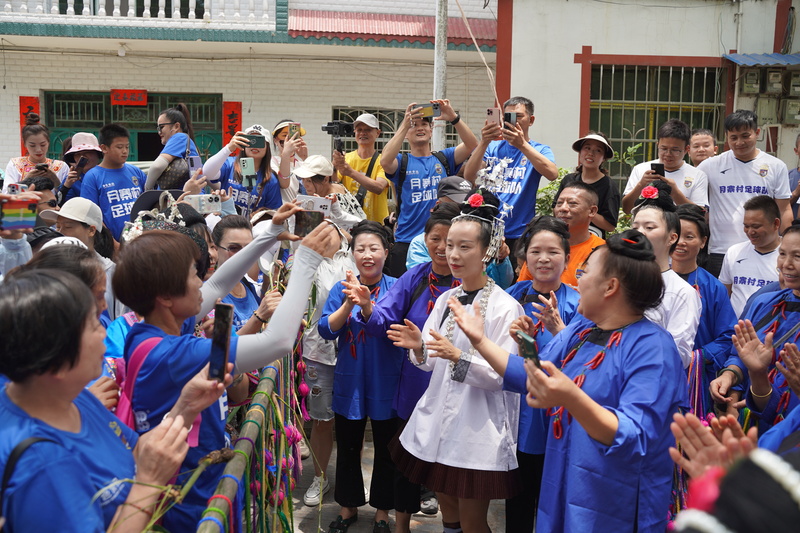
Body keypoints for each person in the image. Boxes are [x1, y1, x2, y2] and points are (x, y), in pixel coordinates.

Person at [111, 208, 337, 530]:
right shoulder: (176, 354)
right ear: (165, 296)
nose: (201, 280)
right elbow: (279, 342)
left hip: (199, 484)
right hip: (191, 502)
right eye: (193, 274)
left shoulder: (149, 331)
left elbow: (217, 284)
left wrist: (269, 235)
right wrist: (307, 262)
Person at [455, 229, 685, 531]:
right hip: (563, 480)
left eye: (585, 272)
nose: (579, 278)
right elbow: (533, 374)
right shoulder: (583, 330)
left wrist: (570, 397)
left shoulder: (653, 348)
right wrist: (481, 340)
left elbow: (634, 435)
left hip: (615, 500)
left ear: (610, 287)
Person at [0, 268, 234, 532]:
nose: (104, 332)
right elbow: (144, 468)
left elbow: (135, 450)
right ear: (56, 356)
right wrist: (147, 482)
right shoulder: (43, 465)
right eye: (92, 325)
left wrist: (186, 406)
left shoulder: (73, 399)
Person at [387, 188, 523, 533]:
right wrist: (419, 347)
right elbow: (431, 361)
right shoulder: (448, 297)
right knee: (447, 503)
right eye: (450, 245)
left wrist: (458, 356)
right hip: (438, 419)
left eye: (465, 246)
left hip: (477, 425)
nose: (453, 254)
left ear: (487, 250)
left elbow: (501, 375)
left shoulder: (505, 307)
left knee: (474, 520)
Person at [349, 204, 462, 530]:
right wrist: (369, 307)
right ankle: (401, 524)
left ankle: (452, 523)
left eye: (450, 240)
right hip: (414, 387)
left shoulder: (468, 283)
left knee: (451, 466)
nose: (442, 247)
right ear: (424, 241)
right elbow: (384, 318)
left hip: (457, 387)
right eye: (435, 239)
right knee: (406, 461)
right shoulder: (415, 277)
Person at [318, 221, 401, 533]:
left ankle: (382, 511)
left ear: (385, 251)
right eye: (360, 249)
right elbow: (326, 329)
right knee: (349, 445)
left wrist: (368, 305)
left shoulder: (397, 287)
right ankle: (348, 505)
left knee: (385, 446)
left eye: (374, 248)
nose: (367, 255)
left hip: (386, 377)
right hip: (350, 378)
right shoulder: (341, 289)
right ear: (351, 254)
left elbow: (394, 327)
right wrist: (349, 303)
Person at [504, 216, 580, 533]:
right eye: (535, 251)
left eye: (553, 252)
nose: (544, 259)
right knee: (518, 502)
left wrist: (559, 330)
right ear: (524, 256)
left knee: (556, 502)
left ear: (566, 258)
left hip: (563, 417)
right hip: (517, 414)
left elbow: (587, 363)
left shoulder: (580, 302)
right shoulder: (508, 297)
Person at [381, 100, 478, 276]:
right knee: (405, 300)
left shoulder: (444, 158)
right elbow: (385, 161)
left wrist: (453, 117)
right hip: (406, 241)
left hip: (441, 243)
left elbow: (473, 145)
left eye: (424, 124)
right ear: (405, 134)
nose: (420, 128)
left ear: (431, 129)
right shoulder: (402, 162)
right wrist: (404, 125)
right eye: (414, 125)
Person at [720, 222, 800, 434]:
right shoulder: (763, 302)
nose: (786, 264)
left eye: (798, 257)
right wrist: (732, 373)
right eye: (782, 254)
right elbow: (740, 353)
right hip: (762, 426)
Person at [698, 110, 794, 278]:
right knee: (721, 301)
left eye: (745, 136)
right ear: (726, 137)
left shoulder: (776, 166)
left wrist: (789, 244)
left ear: (757, 133)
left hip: (763, 250)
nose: (739, 142)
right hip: (720, 251)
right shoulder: (710, 166)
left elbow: (784, 209)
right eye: (733, 137)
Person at [299, 224, 354, 508]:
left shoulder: (357, 256)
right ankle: (320, 476)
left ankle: (351, 481)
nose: (325, 233)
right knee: (322, 420)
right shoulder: (305, 260)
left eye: (331, 228)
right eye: (319, 228)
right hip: (318, 352)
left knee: (355, 421)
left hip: (355, 352)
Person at [463, 96, 558, 252]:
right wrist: (484, 141)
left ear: (531, 120)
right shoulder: (492, 147)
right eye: (508, 117)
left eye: (518, 116)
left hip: (519, 233)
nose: (513, 121)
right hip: (486, 229)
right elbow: (469, 175)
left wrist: (522, 145)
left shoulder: (539, 150)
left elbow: (552, 174)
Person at [672, 204, 737, 416]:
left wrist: (695, 357)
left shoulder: (713, 288)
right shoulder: (650, 280)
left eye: (689, 237)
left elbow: (728, 336)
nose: (681, 242)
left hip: (696, 377)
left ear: (703, 242)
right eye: (676, 235)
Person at [632, 180, 701, 367]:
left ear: (672, 237)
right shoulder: (618, 280)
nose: (639, 233)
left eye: (649, 227)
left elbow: (679, 356)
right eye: (635, 227)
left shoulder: (682, 292)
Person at [39, 197, 121, 321]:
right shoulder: (50, 266)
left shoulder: (113, 273)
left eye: (67, 227)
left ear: (91, 230)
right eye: (58, 227)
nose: (60, 232)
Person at [517, 182, 605, 287]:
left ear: (592, 211)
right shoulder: (541, 244)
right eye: (559, 203)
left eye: (572, 203)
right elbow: (522, 291)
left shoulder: (603, 252)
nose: (563, 208)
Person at [211, 215, 281, 334]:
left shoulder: (246, 285)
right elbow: (224, 347)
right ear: (215, 248)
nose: (243, 255)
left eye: (249, 248)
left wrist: (268, 283)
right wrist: (259, 317)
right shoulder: (213, 296)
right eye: (233, 248)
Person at [622, 118, 709, 214]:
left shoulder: (698, 175)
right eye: (663, 148)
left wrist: (675, 193)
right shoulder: (641, 169)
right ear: (657, 145)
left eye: (675, 150)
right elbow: (627, 209)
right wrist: (641, 185)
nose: (668, 154)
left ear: (686, 149)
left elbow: (700, 214)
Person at [80, 124, 145, 242]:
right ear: (104, 148)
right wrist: (113, 244)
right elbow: (91, 216)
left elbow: (148, 201)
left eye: (127, 146)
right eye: (119, 147)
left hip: (141, 241)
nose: (125, 151)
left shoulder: (135, 172)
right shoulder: (93, 177)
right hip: (112, 244)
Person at [719, 195, 782, 316]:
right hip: (735, 331)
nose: (750, 232)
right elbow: (723, 296)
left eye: (756, 226)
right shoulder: (734, 252)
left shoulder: (789, 259)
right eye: (746, 226)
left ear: (776, 223)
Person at [204, 124, 282, 215]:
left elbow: (271, 213)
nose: (254, 146)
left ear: (267, 147)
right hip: (225, 225)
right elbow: (207, 173)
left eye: (259, 141)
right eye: (250, 141)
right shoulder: (230, 164)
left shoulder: (270, 179)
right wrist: (229, 148)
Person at [552, 132, 619, 236]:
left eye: (598, 150)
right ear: (580, 151)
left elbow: (610, 226)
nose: (591, 153)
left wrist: (585, 210)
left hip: (593, 240)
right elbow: (555, 209)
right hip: (566, 237)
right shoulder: (568, 179)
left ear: (604, 158)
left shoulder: (609, 185)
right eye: (587, 148)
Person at [333, 113, 391, 223]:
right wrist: (334, 165)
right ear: (354, 132)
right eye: (359, 129)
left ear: (377, 133)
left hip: (376, 225)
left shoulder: (383, 161)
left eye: (368, 130)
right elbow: (333, 182)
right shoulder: (347, 158)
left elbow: (379, 187)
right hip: (350, 223)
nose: (362, 133)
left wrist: (350, 172)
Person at [294, 155, 366, 230]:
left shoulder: (331, 201)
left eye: (309, 181)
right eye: (302, 179)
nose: (305, 185)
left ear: (325, 179)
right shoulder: (337, 186)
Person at [2, 113, 68, 194]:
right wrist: (26, 180)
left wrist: (55, 181)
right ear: (25, 144)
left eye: (43, 145)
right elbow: (7, 194)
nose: (38, 150)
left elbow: (68, 198)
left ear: (48, 143)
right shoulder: (15, 165)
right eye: (32, 145)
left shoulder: (61, 167)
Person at [145, 103, 200, 191]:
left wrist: (148, 189)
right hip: (189, 198)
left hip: (180, 199)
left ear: (176, 126)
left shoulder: (179, 137)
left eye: (161, 127)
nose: (159, 132)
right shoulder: (187, 142)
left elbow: (157, 166)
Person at [59, 132, 104, 203]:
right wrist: (66, 186)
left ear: (97, 154)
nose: (83, 157)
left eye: (87, 152)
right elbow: (59, 205)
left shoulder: (108, 174)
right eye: (77, 154)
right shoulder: (72, 179)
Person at [272, 119, 308, 203]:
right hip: (282, 212)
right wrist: (286, 154)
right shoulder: (272, 162)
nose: (290, 140)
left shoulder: (303, 164)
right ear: (275, 140)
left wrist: (305, 158)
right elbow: (284, 184)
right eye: (285, 136)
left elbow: (313, 187)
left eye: (294, 136)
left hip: (301, 213)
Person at [789, 132, 800, 220]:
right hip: (791, 231)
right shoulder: (787, 177)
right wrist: (796, 192)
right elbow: (778, 207)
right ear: (796, 151)